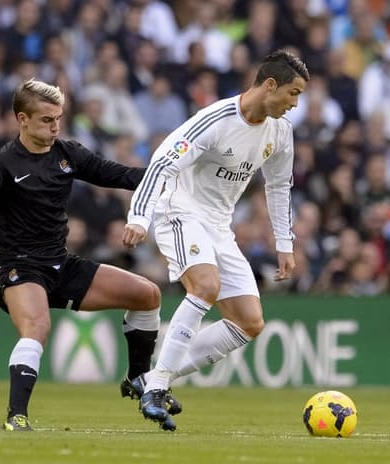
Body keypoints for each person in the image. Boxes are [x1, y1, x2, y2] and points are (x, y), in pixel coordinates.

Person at [0, 78, 173, 432]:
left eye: (58, 119)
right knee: (37, 327)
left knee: (148, 295)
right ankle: (16, 416)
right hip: (19, 267)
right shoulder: (2, 162)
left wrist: (168, 178)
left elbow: (118, 175)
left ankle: (137, 377)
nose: (55, 127)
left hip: (61, 265)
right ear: (22, 119)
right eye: (46, 120)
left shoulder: (67, 154)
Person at [122, 50, 309, 431]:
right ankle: (156, 388)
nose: (294, 104)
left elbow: (278, 186)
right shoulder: (215, 119)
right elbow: (161, 162)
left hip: (219, 227)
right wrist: (139, 216)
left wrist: (284, 243)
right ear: (270, 85)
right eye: (293, 93)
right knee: (206, 286)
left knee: (250, 322)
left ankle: (151, 379)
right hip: (179, 211)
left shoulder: (280, 132)